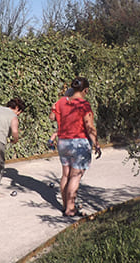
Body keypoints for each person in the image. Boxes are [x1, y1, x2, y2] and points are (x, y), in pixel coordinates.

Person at [50, 77, 101, 217]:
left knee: (65, 175)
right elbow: (89, 126)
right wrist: (96, 144)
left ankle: (66, 205)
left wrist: (54, 107)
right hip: (79, 143)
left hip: (63, 142)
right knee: (75, 176)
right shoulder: (84, 105)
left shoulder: (61, 102)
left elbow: (52, 117)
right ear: (86, 90)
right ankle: (70, 209)